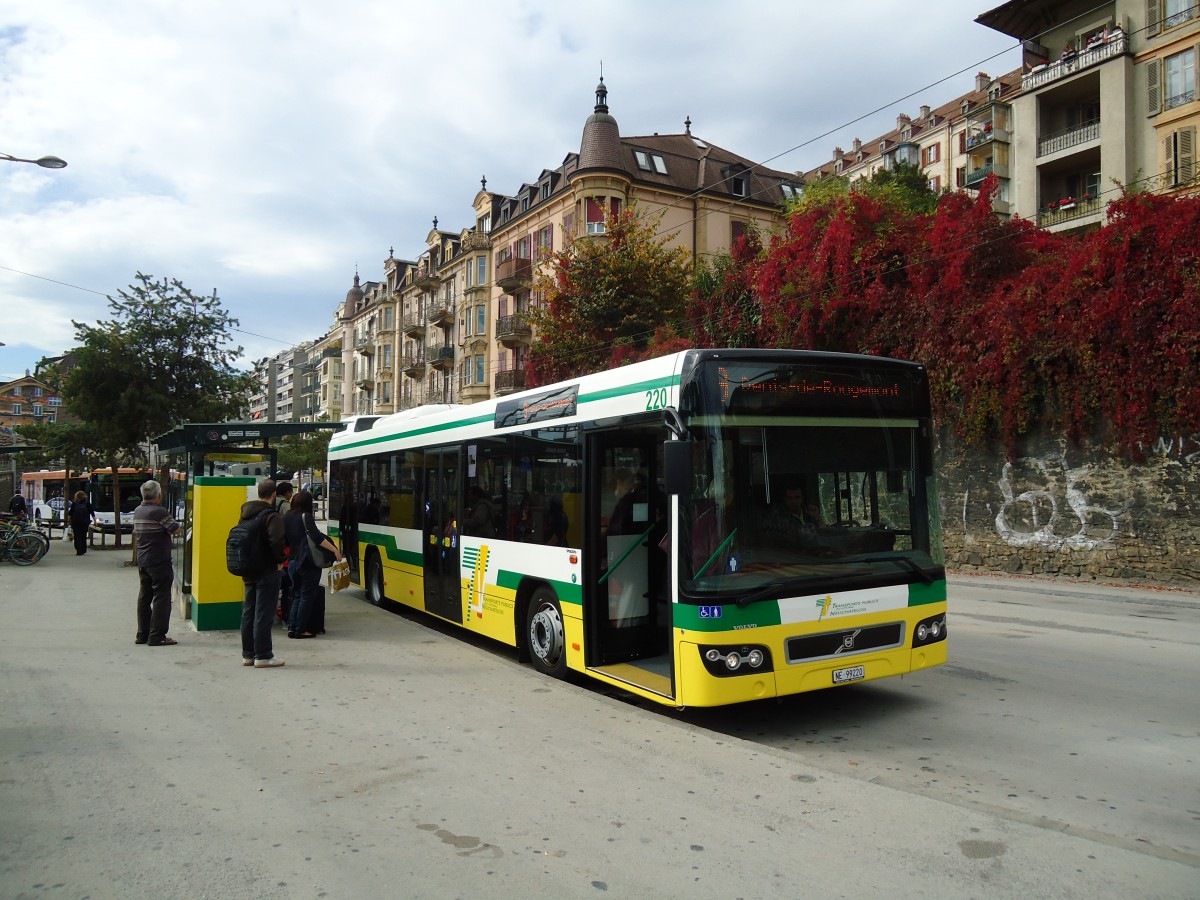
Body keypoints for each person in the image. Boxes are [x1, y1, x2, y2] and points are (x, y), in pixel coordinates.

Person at [238, 479, 288, 668]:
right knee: (264, 613)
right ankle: (264, 655)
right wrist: (280, 560)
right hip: (267, 570)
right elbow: (277, 541)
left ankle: (248, 654)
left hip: (248, 568)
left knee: (248, 611)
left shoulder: (245, 514)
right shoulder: (271, 516)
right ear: (274, 495)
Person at [283, 488, 341, 639]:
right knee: (306, 596)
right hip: (307, 562)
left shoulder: (286, 517)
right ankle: (300, 630)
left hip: (292, 562)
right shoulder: (306, 517)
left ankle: (292, 627)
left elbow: (284, 540)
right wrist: (335, 550)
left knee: (296, 595)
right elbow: (317, 538)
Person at [133, 479, 181, 646]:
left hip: (143, 560)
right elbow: (176, 529)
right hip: (159, 560)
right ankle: (157, 635)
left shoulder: (138, 510)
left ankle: (142, 634)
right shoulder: (159, 512)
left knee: (144, 596)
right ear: (159, 495)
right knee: (162, 597)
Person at [762, 481, 823, 551]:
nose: (793, 501)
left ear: (802, 498)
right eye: (789, 498)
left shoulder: (810, 515)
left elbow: (823, 537)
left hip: (814, 559)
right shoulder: (776, 518)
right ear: (785, 499)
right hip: (791, 558)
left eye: (796, 497)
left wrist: (817, 517)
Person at [274, 482, 295, 624]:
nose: (291, 495)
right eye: (291, 492)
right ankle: (285, 614)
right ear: (287, 492)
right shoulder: (286, 505)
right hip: (284, 547)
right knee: (287, 586)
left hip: (273, 545)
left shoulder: (271, 502)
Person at [67, 490, 96, 556]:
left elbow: (70, 513)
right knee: (83, 535)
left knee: (77, 536)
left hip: (76, 522)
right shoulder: (88, 503)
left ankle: (79, 550)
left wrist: (69, 522)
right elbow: (92, 512)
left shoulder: (74, 504)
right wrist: (94, 521)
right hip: (85, 522)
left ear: (77, 496)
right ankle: (83, 550)